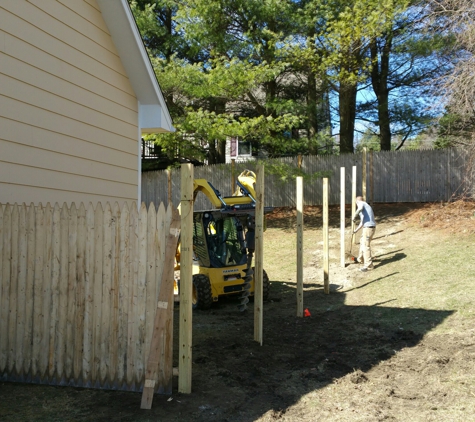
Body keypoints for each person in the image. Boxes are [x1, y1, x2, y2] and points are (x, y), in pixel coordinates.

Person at [352, 196, 376, 272]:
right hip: (368, 227)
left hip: (369, 228)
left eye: (356, 203)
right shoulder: (365, 209)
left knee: (366, 246)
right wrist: (355, 230)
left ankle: (369, 266)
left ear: (357, 201)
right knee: (362, 242)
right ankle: (360, 259)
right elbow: (362, 222)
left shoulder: (361, 203)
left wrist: (354, 216)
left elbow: (359, 208)